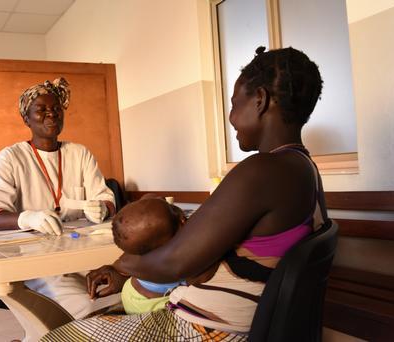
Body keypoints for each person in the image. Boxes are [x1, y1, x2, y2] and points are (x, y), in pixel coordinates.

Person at [42, 46, 327, 341]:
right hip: (236, 323)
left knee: (56, 337)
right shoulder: (302, 167)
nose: (230, 117)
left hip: (207, 331)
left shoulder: (263, 170)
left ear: (260, 100)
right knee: (99, 316)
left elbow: (174, 262)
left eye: (234, 104)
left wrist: (122, 266)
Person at [0, 77, 120, 319]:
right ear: (26, 118)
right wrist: (27, 218)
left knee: (126, 293)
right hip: (38, 259)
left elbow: (105, 198)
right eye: (41, 110)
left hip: (84, 251)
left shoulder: (79, 153)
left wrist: (103, 208)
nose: (51, 115)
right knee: (85, 306)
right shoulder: (10, 158)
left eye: (56, 109)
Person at [107, 197, 187, 314]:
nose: (183, 218)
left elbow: (150, 199)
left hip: (130, 293)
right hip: (158, 305)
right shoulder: (181, 260)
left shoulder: (142, 254)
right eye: (178, 222)